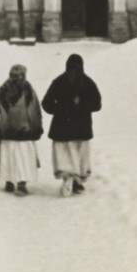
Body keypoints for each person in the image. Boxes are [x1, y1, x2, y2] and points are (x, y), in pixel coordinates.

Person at [41, 53, 102, 196]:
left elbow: (97, 104)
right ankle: (68, 179)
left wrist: (81, 104)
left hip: (77, 127)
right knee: (66, 155)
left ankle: (76, 180)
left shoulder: (87, 83)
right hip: (66, 127)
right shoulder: (59, 82)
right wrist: (61, 108)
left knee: (78, 154)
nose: (73, 72)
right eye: (71, 69)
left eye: (76, 69)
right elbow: (46, 103)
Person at [0, 64, 43, 196]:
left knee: (8, 157)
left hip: (7, 130)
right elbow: (35, 110)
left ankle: (10, 181)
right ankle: (21, 183)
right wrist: (36, 128)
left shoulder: (4, 89)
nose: (17, 79)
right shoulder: (28, 90)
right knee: (22, 158)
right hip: (24, 131)